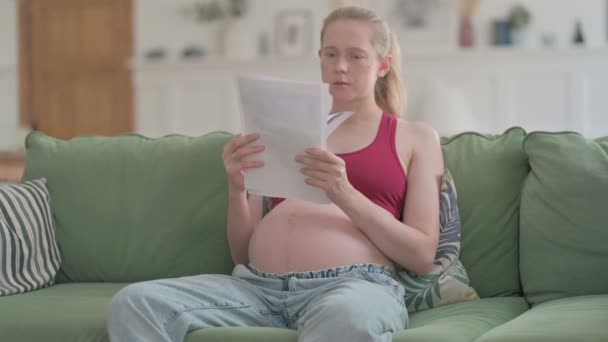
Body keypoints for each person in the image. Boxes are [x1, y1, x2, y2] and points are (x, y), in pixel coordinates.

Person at [107, 5, 443, 342]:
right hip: (256, 287)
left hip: (354, 286)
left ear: (383, 65)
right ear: (320, 58)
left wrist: (345, 193)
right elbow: (241, 253)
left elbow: (421, 256)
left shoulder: (414, 137)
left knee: (348, 317)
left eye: (356, 56)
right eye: (330, 54)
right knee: (135, 303)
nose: (340, 66)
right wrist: (237, 189)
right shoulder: (288, 132)